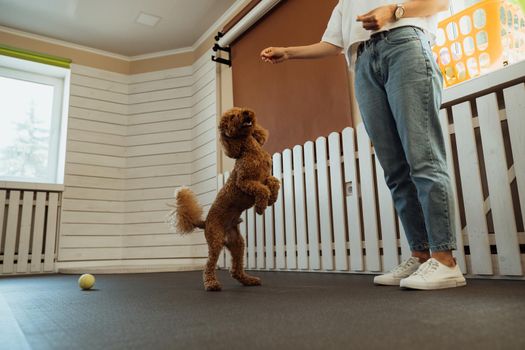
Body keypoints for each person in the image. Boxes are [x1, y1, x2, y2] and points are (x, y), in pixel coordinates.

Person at [260, 0, 466, 290]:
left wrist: (395, 11)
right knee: (394, 170)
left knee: (423, 156)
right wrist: (288, 52)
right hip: (363, 63)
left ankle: (445, 261)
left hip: (404, 45)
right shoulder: (344, 3)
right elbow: (332, 44)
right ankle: (420, 256)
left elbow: (440, 2)